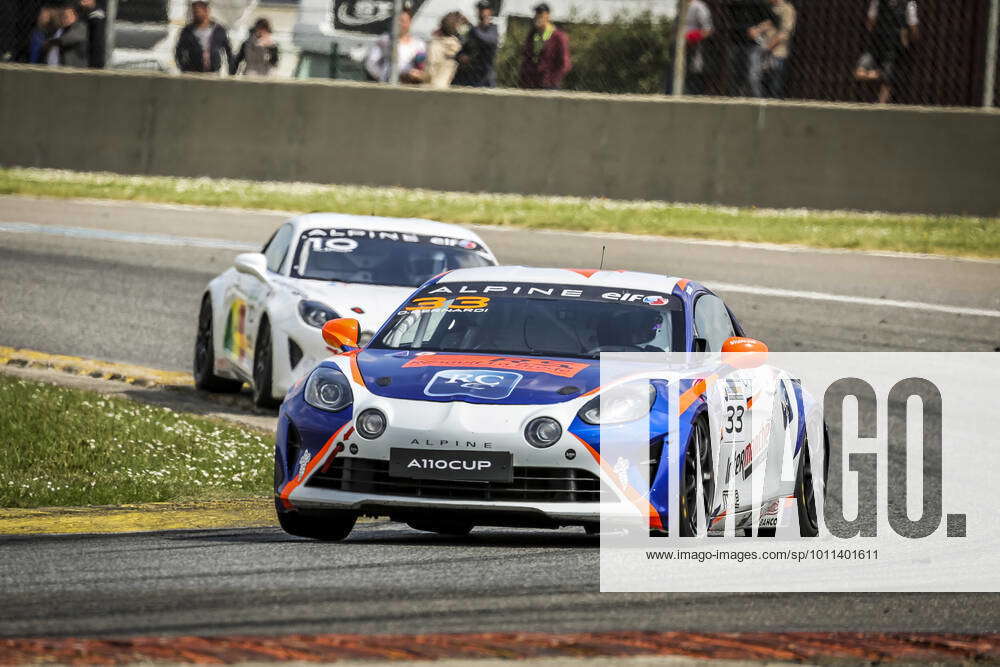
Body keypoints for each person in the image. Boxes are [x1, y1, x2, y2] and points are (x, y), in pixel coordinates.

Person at [867, 0, 919, 104]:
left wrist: (907, 40)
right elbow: (871, 22)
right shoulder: (878, 2)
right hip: (882, 41)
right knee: (883, 71)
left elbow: (913, 27)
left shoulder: (908, 3)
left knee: (889, 71)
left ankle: (882, 101)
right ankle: (881, 98)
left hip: (892, 43)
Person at [364, 6, 427, 84]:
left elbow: (423, 67)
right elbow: (371, 64)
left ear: (409, 22)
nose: (400, 24)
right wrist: (383, 78)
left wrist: (417, 75)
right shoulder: (385, 40)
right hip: (388, 85)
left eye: (403, 21)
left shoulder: (419, 44)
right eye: (397, 21)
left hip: (410, 86)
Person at [747, 0, 796, 99]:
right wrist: (756, 30)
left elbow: (784, 33)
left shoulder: (787, 9)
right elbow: (767, 24)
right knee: (758, 85)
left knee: (775, 89)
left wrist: (768, 47)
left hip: (778, 53)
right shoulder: (769, 8)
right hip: (764, 52)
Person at [518, 3, 571, 90]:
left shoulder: (558, 36)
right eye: (536, 14)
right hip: (530, 85)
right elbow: (526, 58)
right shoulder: (532, 35)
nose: (537, 17)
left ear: (548, 16)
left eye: (541, 14)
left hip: (549, 86)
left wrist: (552, 80)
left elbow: (565, 64)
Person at [175, 1, 234, 74]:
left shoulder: (218, 30)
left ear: (206, 11)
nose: (195, 14)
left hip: (213, 72)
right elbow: (179, 50)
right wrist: (183, 67)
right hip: (193, 72)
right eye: (194, 12)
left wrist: (231, 70)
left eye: (198, 12)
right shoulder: (187, 30)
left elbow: (228, 50)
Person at [454, 0, 499, 88]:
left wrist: (470, 25)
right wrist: (461, 56)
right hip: (470, 77)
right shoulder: (473, 31)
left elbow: (487, 40)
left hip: (485, 79)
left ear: (490, 12)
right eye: (480, 9)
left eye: (485, 9)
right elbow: (464, 48)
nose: (482, 12)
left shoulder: (493, 30)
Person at [425, 11, 468, 88]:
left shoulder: (434, 45)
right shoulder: (458, 47)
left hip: (433, 86)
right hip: (451, 87)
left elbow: (430, 71)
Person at [682, 0, 714, 95]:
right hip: (680, 46)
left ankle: (694, 95)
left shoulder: (699, 6)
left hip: (694, 45)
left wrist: (692, 37)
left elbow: (708, 29)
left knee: (694, 73)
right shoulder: (681, 6)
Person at [44, 3, 89, 68]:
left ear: (75, 16)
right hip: (55, 68)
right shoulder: (60, 29)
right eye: (62, 16)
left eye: (66, 16)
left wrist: (50, 42)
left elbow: (66, 40)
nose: (64, 18)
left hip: (73, 69)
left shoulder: (80, 27)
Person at [77, 0, 106, 67]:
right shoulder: (81, 13)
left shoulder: (96, 16)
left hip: (92, 60)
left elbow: (97, 41)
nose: (81, 2)